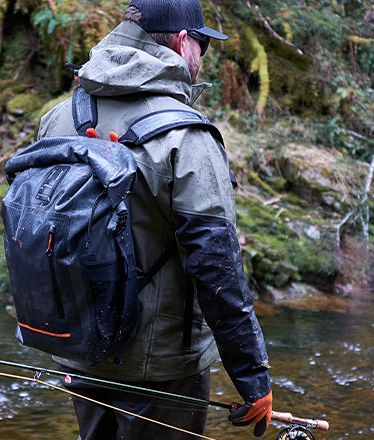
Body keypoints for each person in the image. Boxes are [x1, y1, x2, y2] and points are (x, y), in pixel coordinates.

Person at [33, 0, 273, 439]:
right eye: (203, 44)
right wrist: (252, 376)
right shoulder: (186, 135)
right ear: (184, 42)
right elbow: (216, 265)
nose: (203, 57)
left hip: (78, 351)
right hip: (161, 369)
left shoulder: (59, 118)